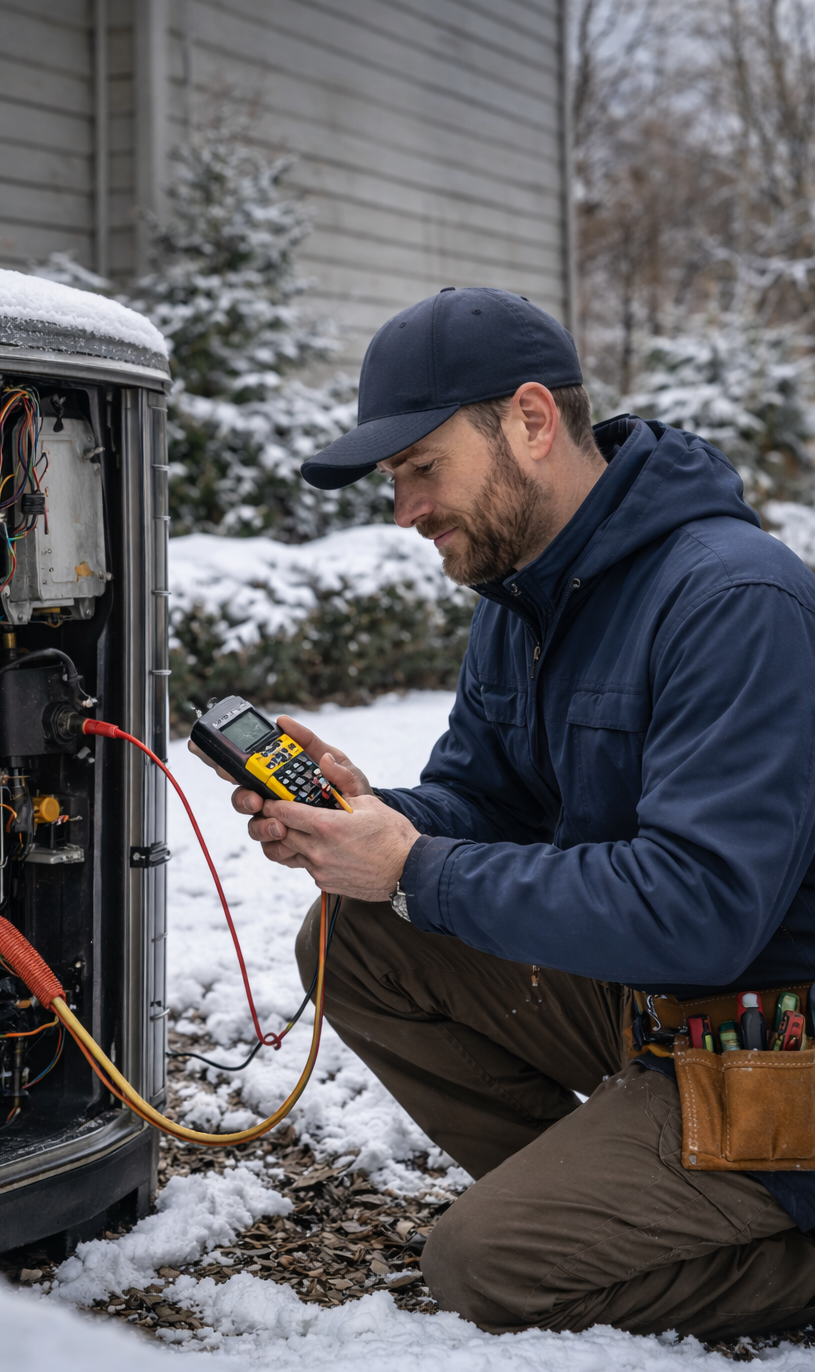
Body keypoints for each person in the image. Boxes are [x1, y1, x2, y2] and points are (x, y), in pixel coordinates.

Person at [190, 286, 815, 1341]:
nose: (404, 511)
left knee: (491, 1269)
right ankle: (607, 1198)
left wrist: (414, 866)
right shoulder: (526, 596)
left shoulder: (732, 599)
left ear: (529, 422)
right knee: (362, 935)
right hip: (655, 1011)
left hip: (775, 1048)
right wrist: (369, 816)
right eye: (394, 482)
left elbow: (702, 910)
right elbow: (482, 804)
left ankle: (700, 1234)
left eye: (421, 468)